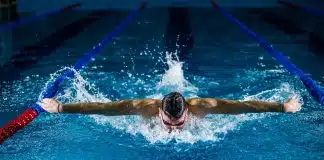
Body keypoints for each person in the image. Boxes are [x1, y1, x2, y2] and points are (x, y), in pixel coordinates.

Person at [38, 92, 302, 131]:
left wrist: (283, 107)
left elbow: (245, 106)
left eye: (177, 123)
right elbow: (103, 109)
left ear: (187, 109)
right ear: (160, 111)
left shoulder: (203, 106)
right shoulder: (144, 108)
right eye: (168, 121)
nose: (173, 128)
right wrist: (61, 107)